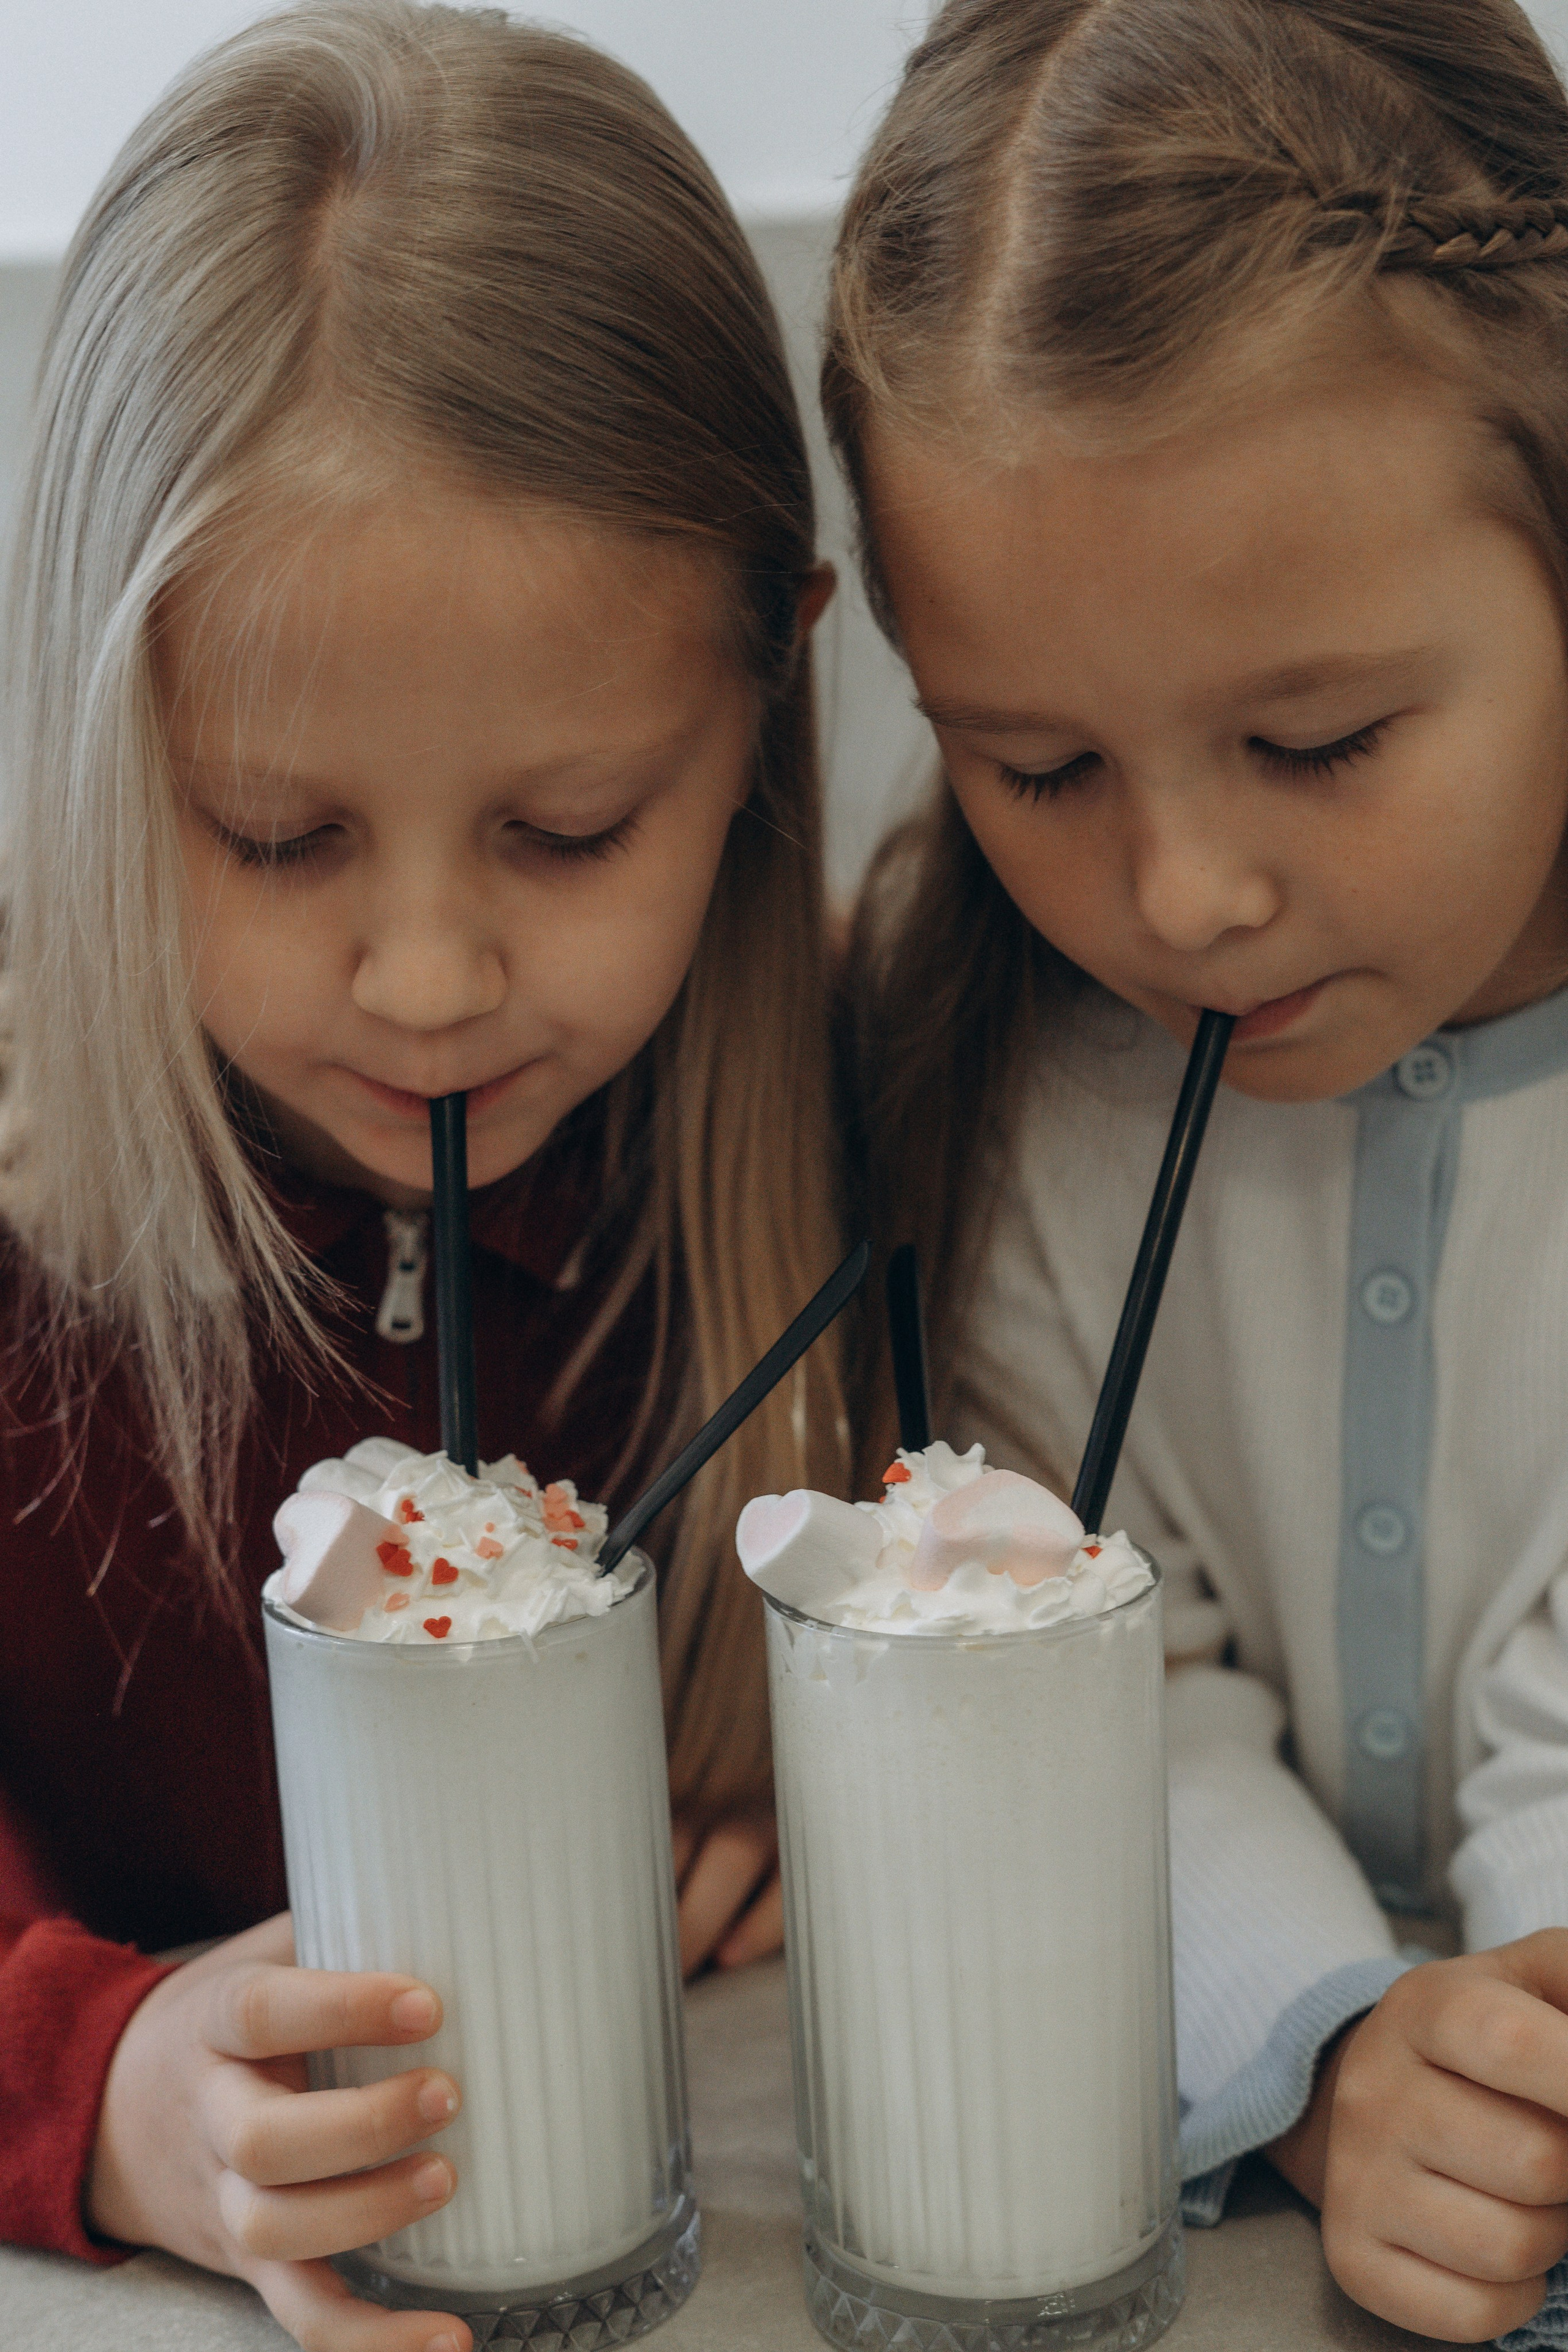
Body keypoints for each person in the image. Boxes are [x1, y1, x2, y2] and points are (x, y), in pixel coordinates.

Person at [0, 6, 848, 2347]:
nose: (433, 976)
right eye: (278, 836)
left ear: (767, 699)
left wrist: (837, 1783)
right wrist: (103, 2082)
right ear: (98, 736)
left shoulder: (858, 1153)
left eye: (570, 831)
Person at [827, 1, 1568, 2343]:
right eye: (1039, 770)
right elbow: (1074, 1670)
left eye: (1318, 739)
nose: (1184, 900)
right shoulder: (1022, 1086)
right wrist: (1336, 2053)